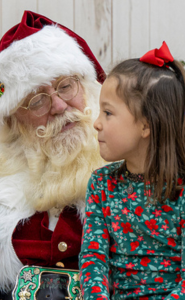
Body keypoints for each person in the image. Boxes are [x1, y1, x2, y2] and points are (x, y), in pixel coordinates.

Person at [0, 11, 105, 298]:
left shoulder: (126, 162)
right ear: (12, 120)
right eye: (37, 100)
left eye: (66, 86)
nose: (59, 105)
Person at [79, 42, 185, 299]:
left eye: (107, 112)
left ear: (145, 126)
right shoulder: (102, 183)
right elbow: (93, 257)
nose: (96, 123)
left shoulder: (180, 189)